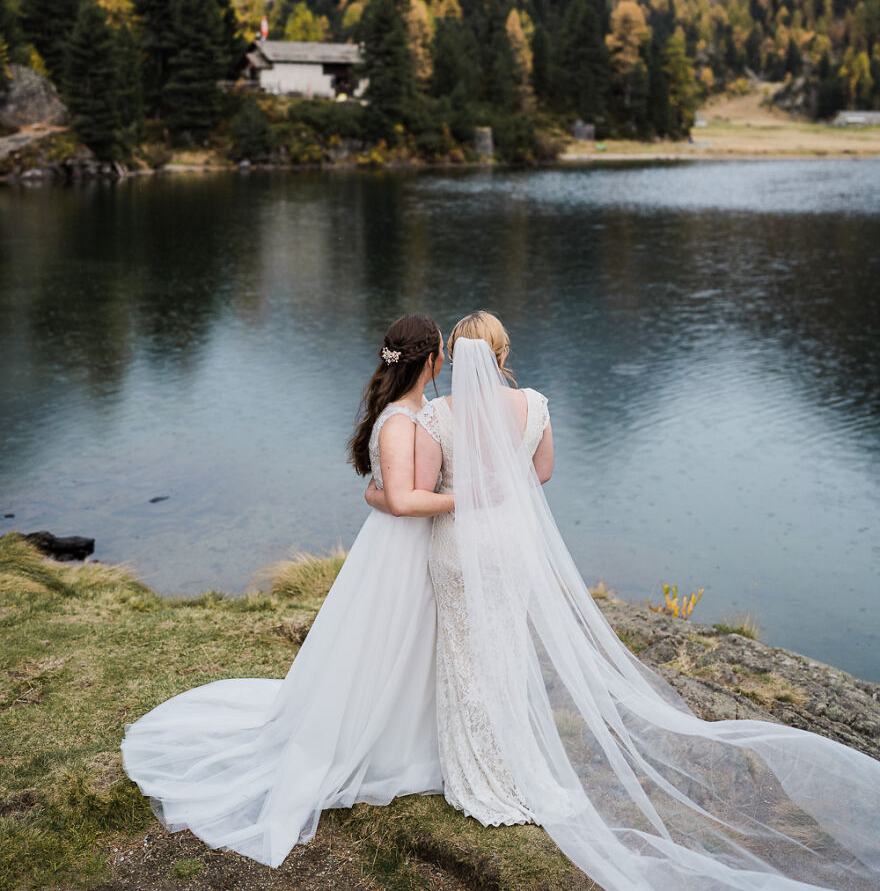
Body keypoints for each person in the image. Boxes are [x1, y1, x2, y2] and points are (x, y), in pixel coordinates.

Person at [406, 310, 880, 891]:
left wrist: (457, 493)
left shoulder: (439, 415)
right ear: (503, 354)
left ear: (456, 356)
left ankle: (479, 772)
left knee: (464, 651)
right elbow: (544, 472)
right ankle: (515, 762)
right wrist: (500, 486)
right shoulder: (533, 404)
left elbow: (425, 493)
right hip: (511, 544)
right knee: (505, 647)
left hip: (460, 544)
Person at [120, 313, 453, 869]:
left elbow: (380, 493)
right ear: (431, 360)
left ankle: (417, 730)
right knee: (385, 642)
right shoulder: (398, 422)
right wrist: (465, 501)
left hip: (415, 547)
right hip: (397, 553)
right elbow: (399, 499)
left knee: (414, 643)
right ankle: (381, 744)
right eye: (442, 349)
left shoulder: (425, 414)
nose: (445, 358)